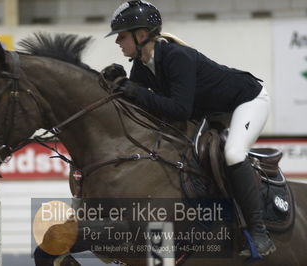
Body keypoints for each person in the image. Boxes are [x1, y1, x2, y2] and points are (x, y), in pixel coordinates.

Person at [102, 0, 275, 257]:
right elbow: (144, 108)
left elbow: (179, 109)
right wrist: (116, 83)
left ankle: (260, 233)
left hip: (247, 101)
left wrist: (135, 91)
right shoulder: (141, 65)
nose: (118, 42)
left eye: (122, 36)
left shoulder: (176, 57)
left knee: (234, 154)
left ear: (141, 36)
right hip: (210, 112)